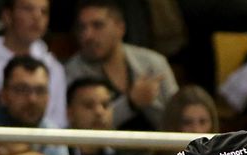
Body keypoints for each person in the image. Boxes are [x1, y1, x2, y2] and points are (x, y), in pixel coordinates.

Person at [65, 0, 179, 131]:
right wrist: (130, 103)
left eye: (97, 25)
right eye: (81, 28)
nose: (87, 35)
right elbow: (82, 126)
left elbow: (178, 117)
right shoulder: (73, 71)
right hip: (104, 144)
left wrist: (150, 102)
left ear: (120, 28)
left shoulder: (152, 63)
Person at [0, 0, 68, 127]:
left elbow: (58, 122)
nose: (37, 16)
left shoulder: (54, 67)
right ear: (7, 16)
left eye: (44, 11)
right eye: (28, 9)